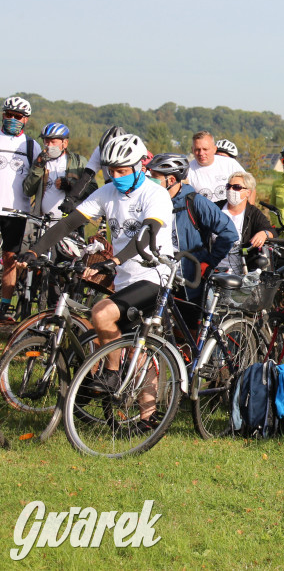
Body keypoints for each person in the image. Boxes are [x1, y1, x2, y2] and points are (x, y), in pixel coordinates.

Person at [19, 134, 175, 418]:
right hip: (126, 279)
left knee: (103, 315)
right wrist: (34, 251)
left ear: (140, 166)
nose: (115, 176)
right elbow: (69, 224)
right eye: (111, 170)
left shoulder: (156, 195)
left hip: (155, 276)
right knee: (135, 348)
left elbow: (145, 235)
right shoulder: (107, 193)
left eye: (122, 171)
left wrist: (115, 259)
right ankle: (143, 414)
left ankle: (115, 378)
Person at [146, 153, 238, 301]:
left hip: (189, 277)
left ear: (171, 180)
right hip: (158, 275)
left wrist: (209, 263)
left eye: (154, 176)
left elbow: (229, 232)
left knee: (188, 320)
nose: (149, 180)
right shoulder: (150, 201)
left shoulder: (195, 202)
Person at [0, 97, 38, 320]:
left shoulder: (31, 146)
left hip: (16, 212)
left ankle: (4, 307)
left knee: (10, 260)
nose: (13, 119)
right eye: (9, 115)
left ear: (26, 120)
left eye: (18, 117)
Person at [24, 122, 96, 220]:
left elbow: (92, 190)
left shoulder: (79, 162)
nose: (49, 146)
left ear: (65, 143)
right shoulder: (40, 161)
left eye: (53, 142)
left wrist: (70, 185)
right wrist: (38, 167)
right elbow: (27, 191)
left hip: (69, 222)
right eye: (46, 141)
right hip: (42, 221)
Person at [215, 171, 276, 274]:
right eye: (228, 186)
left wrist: (263, 234)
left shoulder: (253, 213)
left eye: (237, 187)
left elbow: (271, 231)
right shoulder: (215, 209)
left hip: (241, 274)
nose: (231, 190)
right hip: (213, 272)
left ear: (248, 192)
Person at [61, 125, 126, 213]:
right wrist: (70, 199)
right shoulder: (99, 150)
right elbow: (86, 177)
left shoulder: (131, 152)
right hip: (109, 184)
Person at [187, 131, 244, 202]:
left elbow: (250, 188)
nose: (201, 153)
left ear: (214, 149)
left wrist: (248, 211)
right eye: (197, 150)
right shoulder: (187, 170)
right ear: (192, 150)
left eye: (205, 149)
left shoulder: (230, 164)